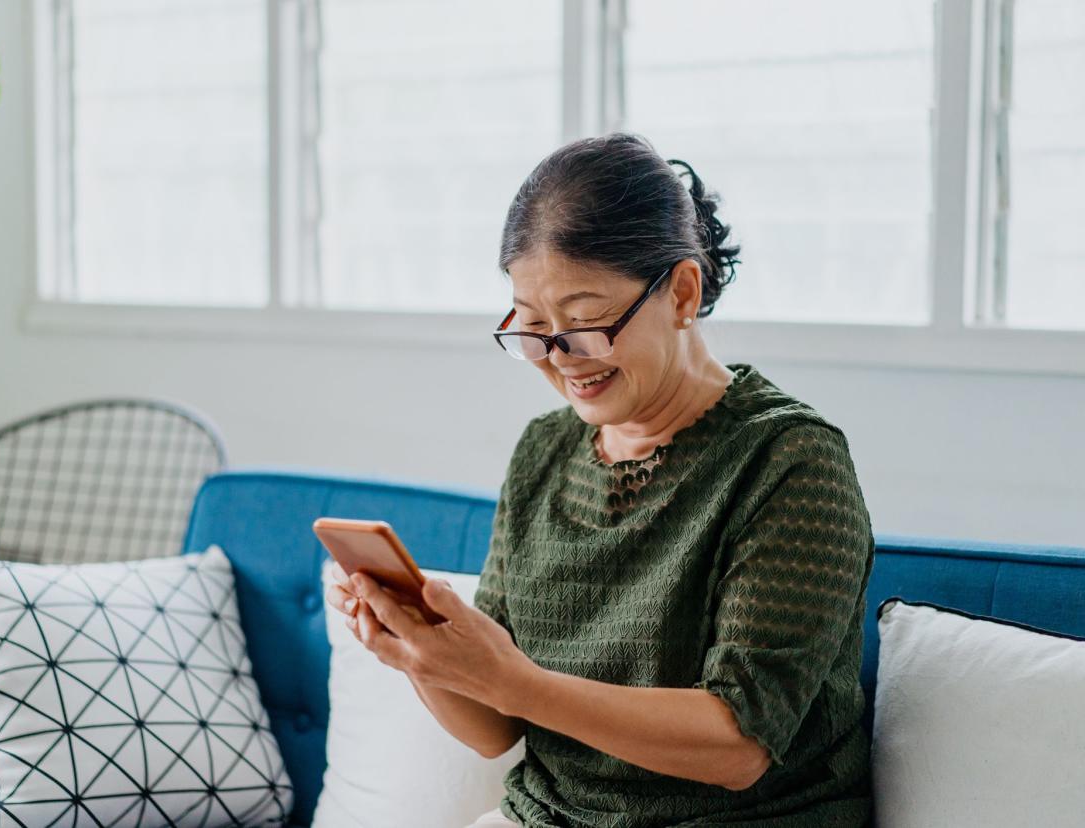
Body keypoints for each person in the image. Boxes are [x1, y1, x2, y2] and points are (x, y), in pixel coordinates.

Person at [325, 132, 875, 827]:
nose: (560, 358)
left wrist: (516, 681)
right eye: (531, 328)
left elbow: (738, 744)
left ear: (681, 291)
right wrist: (421, 657)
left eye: (585, 321)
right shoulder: (543, 452)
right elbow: (498, 726)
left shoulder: (790, 461)